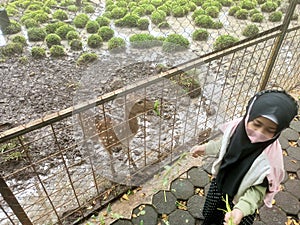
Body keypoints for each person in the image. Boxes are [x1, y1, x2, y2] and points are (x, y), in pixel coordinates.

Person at [190, 90, 298, 225]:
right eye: (257, 124)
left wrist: (241, 210)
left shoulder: (269, 162)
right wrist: (205, 148)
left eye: (270, 130)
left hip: (240, 203)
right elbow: (223, 144)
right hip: (220, 185)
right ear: (249, 115)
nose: (259, 133)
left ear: (278, 131)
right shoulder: (237, 128)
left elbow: (257, 192)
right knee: (211, 215)